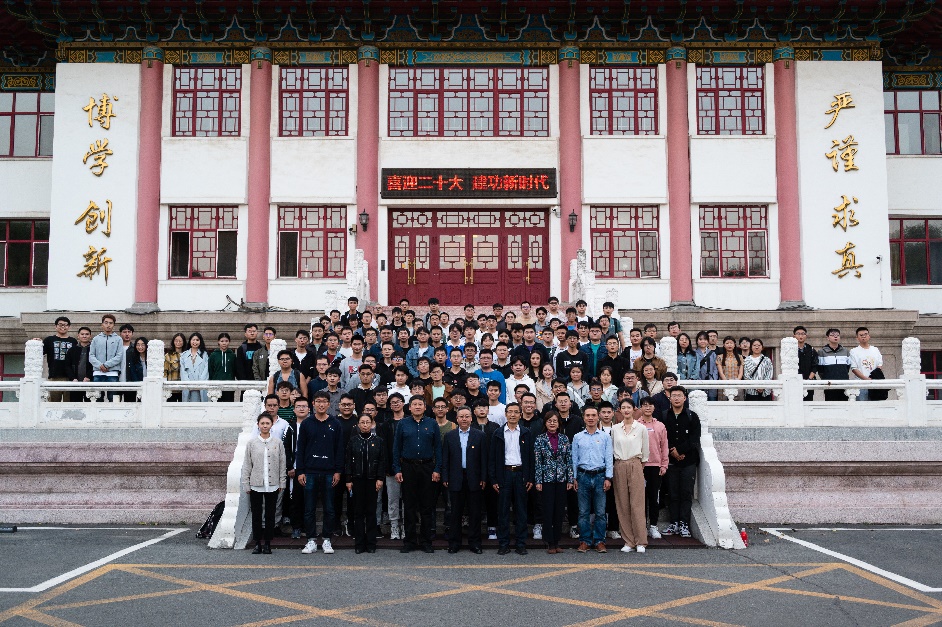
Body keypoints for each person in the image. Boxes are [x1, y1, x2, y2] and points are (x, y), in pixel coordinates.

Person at [393, 396, 442, 553]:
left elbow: (438, 448)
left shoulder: (432, 423)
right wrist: (397, 469)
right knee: (409, 506)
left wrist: (437, 469)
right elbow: (396, 448)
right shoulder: (403, 424)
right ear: (409, 407)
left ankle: (426, 541)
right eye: (414, 404)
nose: (417, 406)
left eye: (420, 404)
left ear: (425, 407)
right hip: (408, 467)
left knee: (427, 506)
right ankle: (410, 541)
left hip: (427, 467)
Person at [297, 391, 343, 555]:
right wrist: (300, 471)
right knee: (309, 508)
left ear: (329, 404)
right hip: (310, 471)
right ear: (313, 404)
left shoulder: (335, 424)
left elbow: (339, 449)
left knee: (329, 508)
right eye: (318, 401)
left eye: (324, 401)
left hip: (329, 472)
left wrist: (338, 471)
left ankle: (327, 539)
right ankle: (311, 539)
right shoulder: (306, 423)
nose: (321, 404)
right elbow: (300, 449)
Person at [442, 406, 487, 554]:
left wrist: (483, 477)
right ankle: (454, 543)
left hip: (474, 477)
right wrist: (445, 476)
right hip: (455, 477)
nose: (464, 419)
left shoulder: (479, 435)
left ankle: (475, 543)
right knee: (455, 512)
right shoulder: (450, 436)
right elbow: (446, 458)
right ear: (457, 419)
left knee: (475, 512)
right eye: (461, 416)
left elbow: (483, 459)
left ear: (471, 418)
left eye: (467, 416)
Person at [490, 402, 534, 556]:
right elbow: (492, 458)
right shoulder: (497, 433)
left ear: (520, 415)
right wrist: (494, 479)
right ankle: (503, 543)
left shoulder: (526, 433)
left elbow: (531, 457)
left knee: (521, 511)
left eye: (516, 412)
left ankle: (521, 543)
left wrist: (530, 477)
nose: (513, 415)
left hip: (521, 474)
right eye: (510, 412)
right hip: (504, 474)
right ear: (505, 414)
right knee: (503, 511)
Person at [242, 412, 286, 555]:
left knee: (270, 515)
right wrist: (246, 483)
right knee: (256, 515)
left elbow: (282, 463)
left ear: (271, 425)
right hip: (256, 484)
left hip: (273, 485)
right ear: (258, 425)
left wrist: (282, 482)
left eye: (267, 423)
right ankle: (257, 543)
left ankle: (267, 543)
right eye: (262, 423)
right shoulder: (252, 443)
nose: (265, 426)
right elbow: (247, 464)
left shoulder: (278, 443)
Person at [571, 406, 613, 553]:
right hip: (582, 476)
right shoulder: (577, 437)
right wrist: (574, 477)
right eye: (588, 415)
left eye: (593, 415)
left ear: (598, 417)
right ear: (584, 418)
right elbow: (574, 459)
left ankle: (600, 541)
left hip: (600, 475)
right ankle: (585, 541)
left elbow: (609, 458)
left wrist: (608, 478)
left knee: (600, 512)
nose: (590, 418)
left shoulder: (605, 437)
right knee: (583, 511)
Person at [660, 386, 700, 538]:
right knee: (672, 493)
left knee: (686, 493)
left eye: (679, 395)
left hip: (688, 460)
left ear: (685, 398)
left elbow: (695, 438)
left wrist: (680, 451)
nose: (676, 398)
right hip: (670, 461)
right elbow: (662, 437)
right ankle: (674, 523)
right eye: (674, 395)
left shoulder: (692, 416)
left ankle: (684, 523)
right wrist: (673, 451)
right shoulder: (664, 416)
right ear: (669, 398)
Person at [611, 398, 649, 553]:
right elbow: (612, 448)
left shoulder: (641, 428)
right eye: (623, 408)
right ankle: (628, 541)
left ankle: (641, 541)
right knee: (622, 504)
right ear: (619, 410)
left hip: (635, 464)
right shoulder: (615, 429)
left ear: (634, 409)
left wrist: (638, 466)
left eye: (629, 407)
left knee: (637, 504)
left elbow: (645, 452)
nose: (626, 410)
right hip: (619, 464)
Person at [533, 411, 573, 554]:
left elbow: (569, 460)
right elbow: (538, 461)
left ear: (558, 423)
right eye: (549, 421)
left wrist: (570, 479)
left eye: (555, 421)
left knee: (559, 511)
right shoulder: (540, 439)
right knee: (548, 510)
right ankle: (549, 542)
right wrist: (538, 480)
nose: (552, 423)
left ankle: (557, 541)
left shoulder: (564, 438)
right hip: (546, 479)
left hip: (561, 479)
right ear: (545, 423)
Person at [345, 413, 385, 554]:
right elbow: (348, 461)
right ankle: (359, 543)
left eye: (368, 422)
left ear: (372, 424)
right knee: (358, 512)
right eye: (362, 422)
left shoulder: (378, 441)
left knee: (371, 512)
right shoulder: (353, 441)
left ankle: (371, 543)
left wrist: (380, 478)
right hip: (357, 480)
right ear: (358, 425)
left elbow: (381, 460)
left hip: (372, 480)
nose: (365, 425)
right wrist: (348, 479)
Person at [636, 397, 668, 540]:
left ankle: (653, 526)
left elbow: (664, 446)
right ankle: (641, 526)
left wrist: (664, 464)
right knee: (640, 498)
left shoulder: (660, 426)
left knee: (654, 498)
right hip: (640, 466)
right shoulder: (636, 425)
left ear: (654, 408)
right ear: (640, 408)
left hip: (655, 466)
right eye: (645, 405)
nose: (647, 408)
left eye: (650, 405)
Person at [381, 393, 406, 539]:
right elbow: (384, 447)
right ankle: (394, 526)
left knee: (408, 500)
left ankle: (406, 526)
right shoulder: (386, 425)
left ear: (403, 403)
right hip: (391, 468)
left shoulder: (410, 421)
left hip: (409, 467)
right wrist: (387, 467)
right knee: (393, 499)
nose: (396, 404)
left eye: (398, 401)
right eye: (393, 402)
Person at [42, 316, 77, 402]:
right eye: (60, 324)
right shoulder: (49, 340)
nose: (63, 327)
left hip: (70, 377)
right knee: (53, 403)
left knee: (69, 404)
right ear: (56, 326)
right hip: (54, 376)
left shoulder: (73, 341)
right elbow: (40, 352)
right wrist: (37, 342)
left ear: (69, 327)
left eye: (65, 325)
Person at [89, 314, 122, 401]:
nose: (108, 325)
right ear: (102, 324)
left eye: (111, 323)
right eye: (106, 323)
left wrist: (106, 365)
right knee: (97, 398)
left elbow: (119, 356)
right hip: (98, 372)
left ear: (114, 325)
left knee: (113, 398)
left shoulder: (118, 339)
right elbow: (91, 356)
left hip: (113, 373)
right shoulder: (96, 339)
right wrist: (100, 365)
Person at [850, 326, 884, 402]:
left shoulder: (875, 350)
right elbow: (854, 368)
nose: (864, 336)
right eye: (861, 335)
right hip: (861, 384)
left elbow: (879, 365)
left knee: (875, 405)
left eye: (865, 334)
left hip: (874, 383)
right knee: (862, 405)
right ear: (857, 338)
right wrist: (866, 379)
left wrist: (873, 377)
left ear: (869, 336)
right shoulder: (854, 351)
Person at [818, 329, 852, 401]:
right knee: (830, 404)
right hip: (829, 384)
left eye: (837, 335)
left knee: (844, 404)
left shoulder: (845, 351)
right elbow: (820, 370)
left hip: (844, 383)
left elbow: (847, 367)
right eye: (832, 335)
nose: (835, 337)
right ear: (828, 338)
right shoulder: (822, 352)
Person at [65, 326, 93, 401]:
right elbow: (67, 366)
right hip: (75, 383)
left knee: (90, 404)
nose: (84, 336)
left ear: (90, 336)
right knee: (75, 404)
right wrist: (73, 378)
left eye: (87, 334)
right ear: (78, 336)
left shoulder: (94, 349)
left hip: (90, 382)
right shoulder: (72, 350)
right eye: (82, 334)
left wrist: (88, 377)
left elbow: (95, 365)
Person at [180, 333, 209, 402]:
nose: (195, 342)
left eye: (197, 340)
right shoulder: (184, 355)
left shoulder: (205, 355)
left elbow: (205, 371)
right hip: (188, 387)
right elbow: (183, 372)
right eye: (193, 340)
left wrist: (199, 383)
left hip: (200, 386)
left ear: (200, 342)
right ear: (190, 341)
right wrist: (188, 384)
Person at [209, 333, 237, 402]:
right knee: (216, 405)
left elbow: (235, 370)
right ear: (218, 342)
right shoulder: (213, 355)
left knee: (228, 405)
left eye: (226, 341)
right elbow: (210, 370)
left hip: (229, 385)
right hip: (216, 385)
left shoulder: (232, 355)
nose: (224, 343)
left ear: (229, 342)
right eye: (222, 341)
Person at [793, 326, 818, 401]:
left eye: (803, 334)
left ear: (806, 336)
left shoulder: (811, 349)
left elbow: (815, 366)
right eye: (798, 334)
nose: (801, 336)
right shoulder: (791, 349)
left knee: (808, 402)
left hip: (808, 382)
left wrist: (809, 379)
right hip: (794, 382)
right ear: (794, 336)